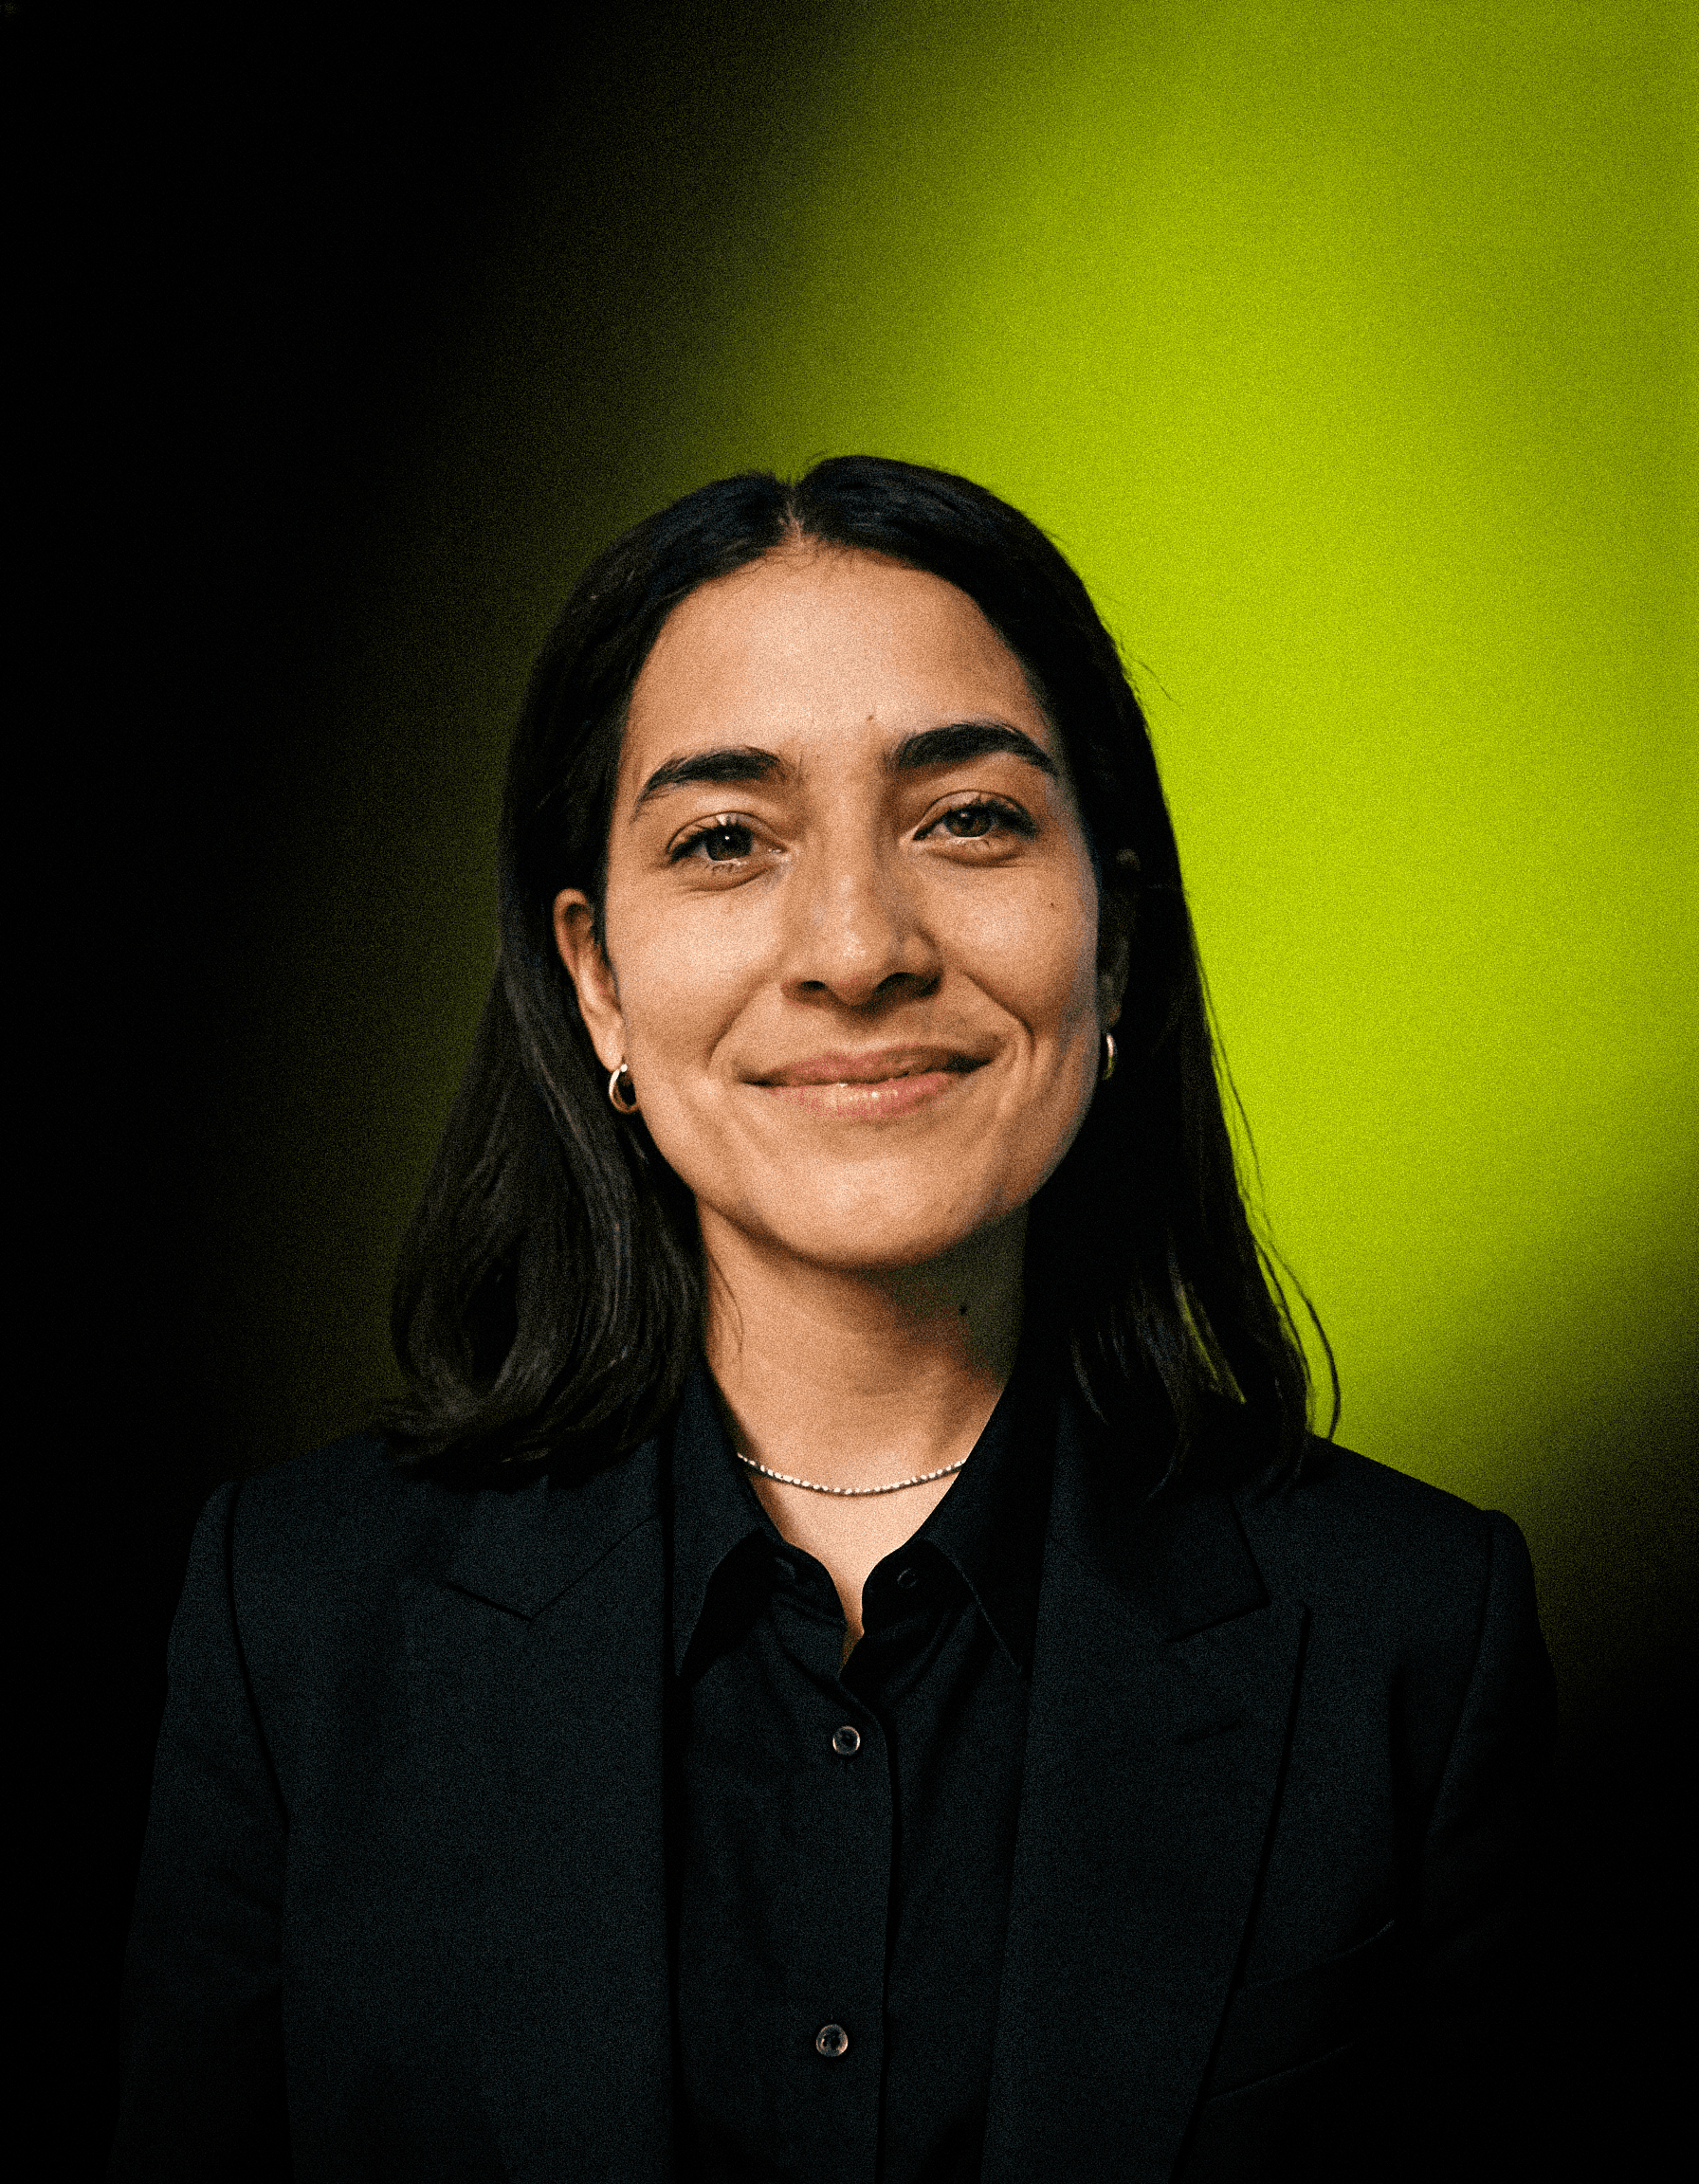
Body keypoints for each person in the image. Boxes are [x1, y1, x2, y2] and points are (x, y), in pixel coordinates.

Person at [111, 457, 1556, 2182]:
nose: (859, 947)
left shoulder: (1412, 1640)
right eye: (726, 840)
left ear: (1117, 940)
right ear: (597, 981)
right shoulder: (297, 1621)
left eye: (969, 818)